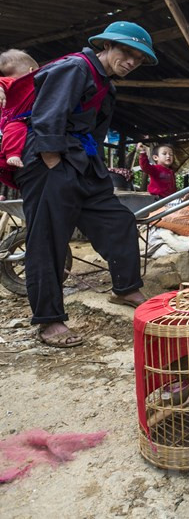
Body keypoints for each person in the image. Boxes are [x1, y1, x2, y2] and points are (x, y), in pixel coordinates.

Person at [15, 21, 158, 348]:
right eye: (127, 52)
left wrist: (89, 168)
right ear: (106, 45)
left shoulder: (107, 84)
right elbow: (47, 115)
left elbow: (94, 131)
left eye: (138, 59)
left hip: (82, 163)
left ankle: (125, 288)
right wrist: (53, 162)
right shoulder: (76, 68)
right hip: (50, 162)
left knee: (119, 220)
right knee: (48, 239)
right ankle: (49, 320)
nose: (131, 62)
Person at [0, 49, 39, 169]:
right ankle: (13, 154)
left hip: (14, 119)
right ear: (31, 70)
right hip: (14, 121)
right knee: (15, 128)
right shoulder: (14, 82)